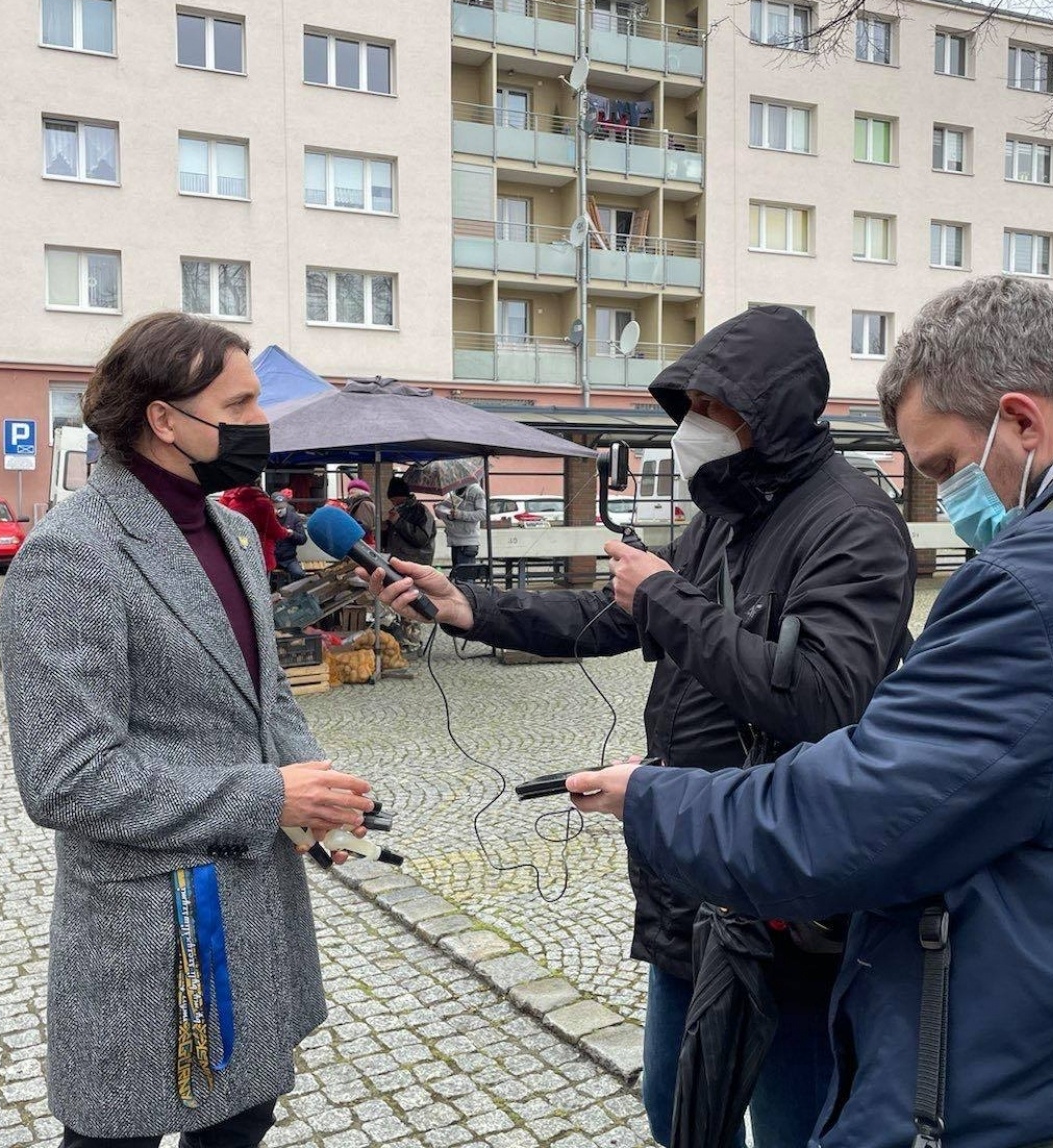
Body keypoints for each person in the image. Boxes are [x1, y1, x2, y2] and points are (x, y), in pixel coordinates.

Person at [563, 277, 1053, 1148]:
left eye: (943, 467)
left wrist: (651, 798)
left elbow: (851, 818)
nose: (943, 500)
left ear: (1021, 421)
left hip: (1039, 1093)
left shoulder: (1037, 582)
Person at [369, 306, 916, 1146]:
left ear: (765, 410)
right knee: (678, 1110)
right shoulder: (723, 513)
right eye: (688, 404)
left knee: (794, 1121)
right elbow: (609, 613)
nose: (694, 424)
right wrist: (469, 606)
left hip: (787, 893)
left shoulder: (850, 519)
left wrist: (664, 595)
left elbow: (827, 696)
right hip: (686, 870)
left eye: (712, 406)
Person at [0, 311, 375, 1148]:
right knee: (119, 1134)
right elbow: (66, 777)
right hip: (148, 924)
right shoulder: (73, 554)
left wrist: (316, 793)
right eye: (238, 405)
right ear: (164, 419)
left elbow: (265, 698)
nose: (259, 424)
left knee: (244, 1118)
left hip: (256, 901)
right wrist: (269, 794)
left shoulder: (235, 529)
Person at [217, 485, 288, 578]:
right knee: (262, 587)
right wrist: (287, 532)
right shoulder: (263, 504)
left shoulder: (231, 502)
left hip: (238, 551)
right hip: (261, 552)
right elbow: (275, 530)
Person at [435, 481, 486, 579]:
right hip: (455, 541)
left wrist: (460, 514)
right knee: (458, 579)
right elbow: (445, 509)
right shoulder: (457, 492)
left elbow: (483, 514)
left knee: (465, 580)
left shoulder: (476, 491)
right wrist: (442, 511)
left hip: (468, 542)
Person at [383, 477, 436, 569]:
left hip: (416, 563)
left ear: (403, 496)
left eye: (394, 499)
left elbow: (421, 539)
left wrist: (398, 521)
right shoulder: (397, 510)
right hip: (398, 561)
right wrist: (384, 529)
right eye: (392, 500)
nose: (393, 503)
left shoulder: (420, 511)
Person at [271, 489, 309, 583]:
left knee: (300, 575)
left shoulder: (294, 517)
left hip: (289, 559)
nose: (280, 510)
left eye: (282, 507)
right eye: (277, 507)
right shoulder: (268, 518)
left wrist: (292, 534)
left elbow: (303, 539)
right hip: (272, 557)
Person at [345, 478, 376, 546]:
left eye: (352, 492)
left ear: (359, 492)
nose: (349, 495)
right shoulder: (361, 503)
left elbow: (365, 525)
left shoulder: (364, 504)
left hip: (364, 543)